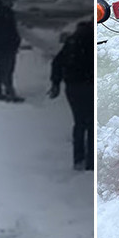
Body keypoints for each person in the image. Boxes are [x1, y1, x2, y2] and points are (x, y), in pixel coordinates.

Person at [51, 20, 94, 170]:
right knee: (91, 124)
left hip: (73, 88)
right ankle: (90, 163)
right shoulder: (90, 42)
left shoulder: (72, 41)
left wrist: (55, 84)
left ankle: (78, 159)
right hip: (88, 86)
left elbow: (57, 63)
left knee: (79, 123)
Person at [0, 0, 21, 101]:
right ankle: (8, 92)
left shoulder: (8, 13)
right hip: (2, 48)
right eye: (10, 1)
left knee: (5, 70)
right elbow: (3, 32)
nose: (12, 3)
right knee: (5, 71)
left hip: (8, 48)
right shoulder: (0, 14)